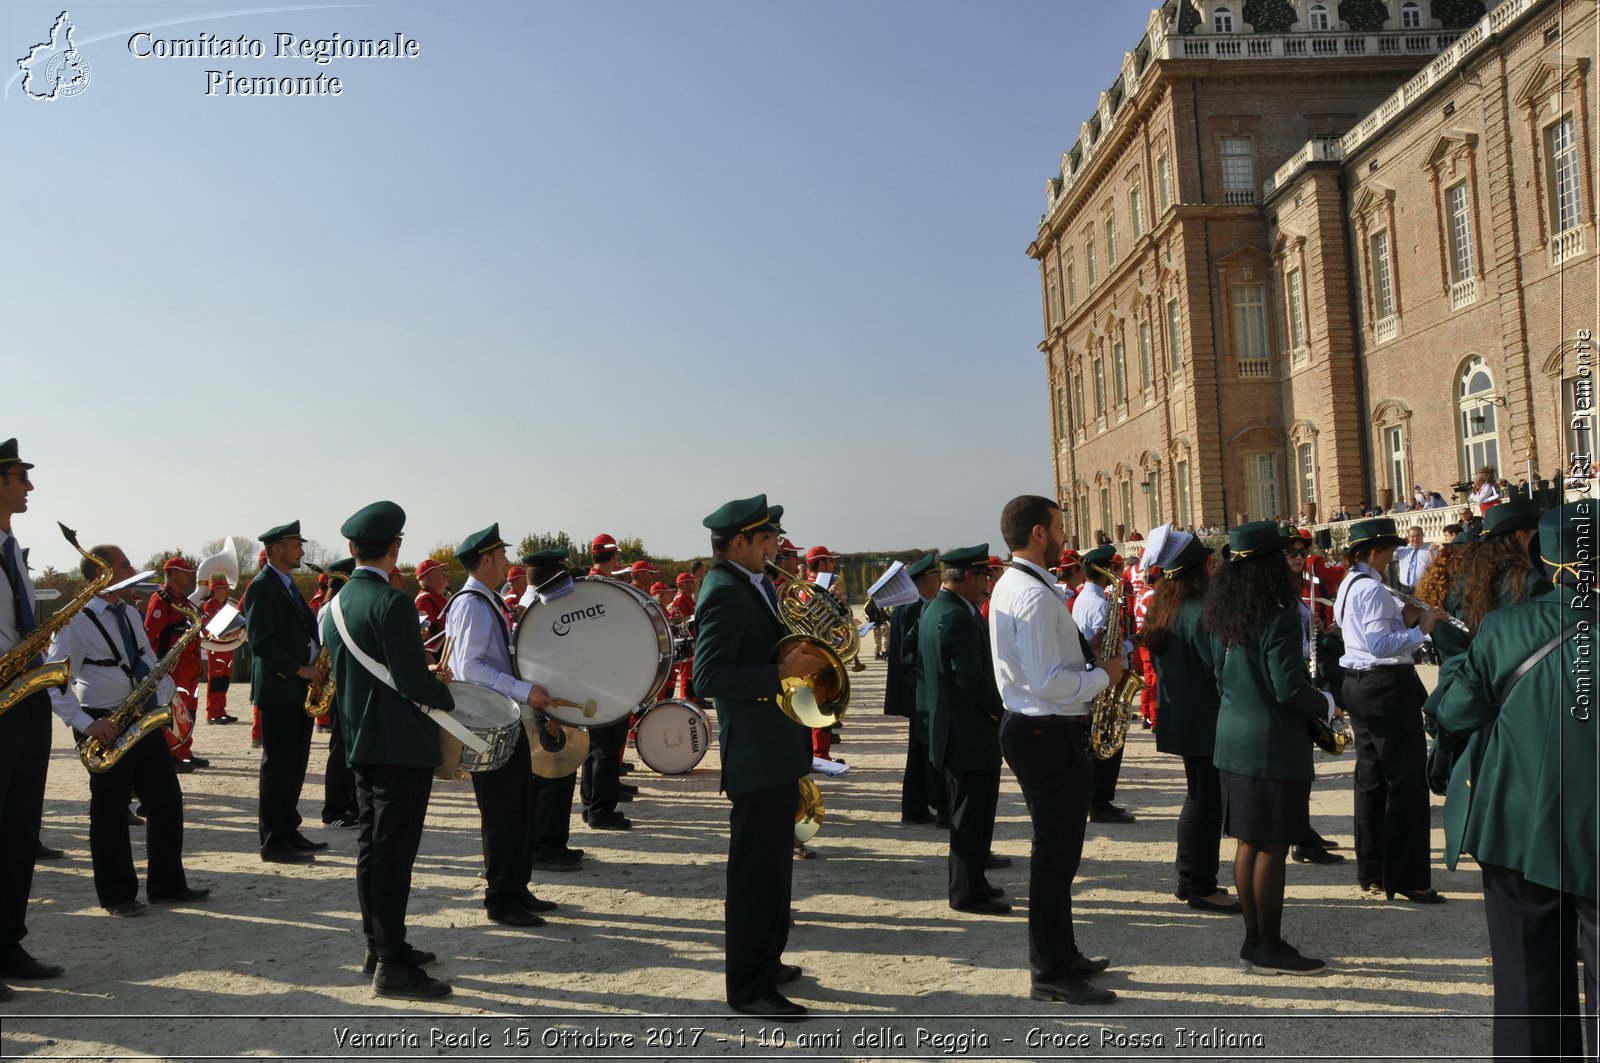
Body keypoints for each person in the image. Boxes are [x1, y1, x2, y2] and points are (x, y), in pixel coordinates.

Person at [1436, 502, 1596, 1062]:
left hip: (1521, 826)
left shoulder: (1505, 629)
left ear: (1542, 558)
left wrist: (1460, 655)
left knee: (1530, 991)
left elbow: (1455, 715)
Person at [693, 495, 827, 1018]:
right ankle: (748, 987)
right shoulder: (724, 591)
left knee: (774, 873)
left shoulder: (751, 583)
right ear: (739, 542)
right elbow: (708, 677)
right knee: (753, 877)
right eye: (766, 539)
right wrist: (780, 674)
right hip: (755, 755)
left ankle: (767, 962)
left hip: (775, 748)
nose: (775, 547)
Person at [989, 494, 1122, 1005]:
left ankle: (1062, 954)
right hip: (1044, 730)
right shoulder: (1035, 596)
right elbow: (1047, 682)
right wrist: (1101, 676)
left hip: (1039, 730)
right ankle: (1048, 971)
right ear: (1039, 533)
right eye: (1061, 527)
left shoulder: (1017, 584)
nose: (1068, 536)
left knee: (1061, 854)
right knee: (1053, 856)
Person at [322, 501, 455, 1000]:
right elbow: (411, 682)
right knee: (394, 856)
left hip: (360, 740)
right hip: (400, 743)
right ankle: (392, 964)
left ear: (352, 549)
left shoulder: (333, 605)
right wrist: (446, 692)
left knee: (372, 850)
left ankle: (378, 946)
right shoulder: (394, 603)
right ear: (394, 548)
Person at [45, 543, 210, 918]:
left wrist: (170, 698)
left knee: (166, 799)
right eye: (124, 565)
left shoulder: (131, 614)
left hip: (142, 716)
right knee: (111, 809)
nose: (133, 568)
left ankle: (167, 885)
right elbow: (55, 682)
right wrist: (88, 724)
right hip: (103, 721)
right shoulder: (76, 620)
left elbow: (148, 662)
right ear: (102, 573)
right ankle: (117, 895)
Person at [1204, 521, 1337, 974]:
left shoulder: (1223, 613)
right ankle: (1269, 948)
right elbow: (1288, 690)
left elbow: (1221, 679)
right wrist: (1329, 703)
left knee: (1249, 843)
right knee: (1272, 848)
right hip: (1270, 744)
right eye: (1284, 555)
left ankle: (1253, 942)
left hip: (1232, 740)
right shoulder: (1277, 613)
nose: (1291, 561)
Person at [445, 524, 561, 927]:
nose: (509, 562)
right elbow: (469, 667)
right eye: (502, 555)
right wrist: (522, 689)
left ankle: (517, 886)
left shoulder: (487, 600)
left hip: (501, 719)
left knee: (518, 808)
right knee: (500, 812)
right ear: (487, 560)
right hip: (486, 722)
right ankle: (501, 898)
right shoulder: (472, 604)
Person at [1333, 517, 1448, 903]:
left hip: (1359, 685)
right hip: (1384, 686)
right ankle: (1408, 878)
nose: (1393, 553)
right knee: (1407, 782)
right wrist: (1424, 629)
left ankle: (1374, 869)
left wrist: (1410, 617)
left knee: (1372, 778)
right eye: (1389, 548)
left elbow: (1361, 633)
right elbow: (1382, 646)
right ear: (1374, 551)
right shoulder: (1374, 590)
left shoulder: (1351, 584)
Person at [1143, 528, 1239, 913]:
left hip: (1183, 716)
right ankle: (1201, 884)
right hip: (1205, 719)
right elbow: (1220, 668)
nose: (1213, 567)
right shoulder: (1199, 611)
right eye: (1208, 562)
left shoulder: (1163, 606)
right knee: (1207, 803)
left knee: (1197, 798)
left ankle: (1189, 878)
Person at [0, 440, 64, 995]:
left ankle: (7, 942)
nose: (30, 486)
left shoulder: (13, 546)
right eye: (21, 475)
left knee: (21, 830)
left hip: (25, 695)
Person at [918, 546, 1008, 914]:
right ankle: (966, 892)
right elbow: (969, 679)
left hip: (955, 730)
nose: (988, 584)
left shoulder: (938, 609)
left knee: (970, 814)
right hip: (969, 732)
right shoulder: (956, 616)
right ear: (967, 577)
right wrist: (1001, 712)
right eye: (984, 577)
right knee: (971, 817)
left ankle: (976, 883)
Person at [243, 520, 328, 865]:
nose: (302, 551)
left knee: (294, 766)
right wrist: (300, 669)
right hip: (280, 689)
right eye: (296, 545)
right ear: (276, 548)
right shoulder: (262, 587)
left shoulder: (286, 583)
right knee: (278, 767)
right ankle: (274, 841)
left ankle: (288, 829)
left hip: (298, 688)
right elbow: (261, 642)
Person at [519, 548, 584, 873]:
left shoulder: (533, 609)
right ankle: (543, 848)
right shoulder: (534, 613)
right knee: (549, 777)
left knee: (561, 774)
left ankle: (554, 843)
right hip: (542, 708)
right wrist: (551, 717)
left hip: (550, 704)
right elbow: (538, 668)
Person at [1072, 544, 1135, 825]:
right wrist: (1136, 643)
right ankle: (1099, 802)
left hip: (1093, 676)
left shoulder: (1084, 598)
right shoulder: (1098, 603)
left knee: (1096, 740)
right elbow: (1108, 648)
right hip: (1103, 677)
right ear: (1106, 570)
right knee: (1107, 740)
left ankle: (1094, 799)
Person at [886, 553, 946, 825]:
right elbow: (910, 654)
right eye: (936, 579)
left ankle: (916, 806)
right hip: (916, 689)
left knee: (918, 749)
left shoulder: (909, 603)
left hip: (913, 689)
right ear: (926, 581)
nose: (939, 584)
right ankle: (923, 804)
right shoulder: (913, 606)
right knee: (924, 749)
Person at [145, 556, 208, 772]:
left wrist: (198, 660)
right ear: (171, 573)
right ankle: (170, 756)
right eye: (185, 571)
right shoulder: (162, 599)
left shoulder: (180, 599)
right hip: (173, 667)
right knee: (174, 711)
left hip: (188, 665)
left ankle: (184, 752)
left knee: (188, 710)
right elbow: (151, 635)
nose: (189, 575)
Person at [198, 575, 240, 725]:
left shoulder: (225, 607)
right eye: (224, 589)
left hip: (227, 647)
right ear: (215, 590)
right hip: (216, 648)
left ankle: (221, 711)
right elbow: (207, 629)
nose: (226, 591)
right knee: (215, 681)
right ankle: (212, 713)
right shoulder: (208, 606)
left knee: (224, 681)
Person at [413, 558, 449, 661]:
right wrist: (426, 654)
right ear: (432, 576)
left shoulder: (436, 597)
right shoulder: (424, 601)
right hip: (438, 661)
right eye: (442, 571)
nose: (446, 574)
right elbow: (419, 633)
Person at [1393, 526, 1433, 593]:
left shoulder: (1430, 549)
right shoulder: (1402, 549)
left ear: (1423, 536)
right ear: (1408, 537)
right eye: (1412, 536)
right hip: (1404, 589)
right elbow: (1388, 556)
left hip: (1422, 589)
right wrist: (1399, 543)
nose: (1415, 538)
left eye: (1418, 535)